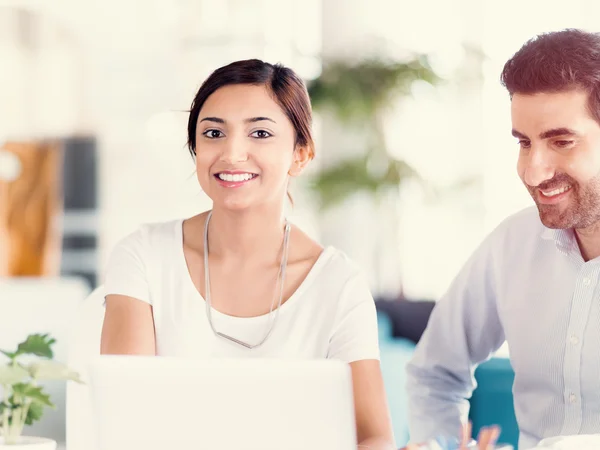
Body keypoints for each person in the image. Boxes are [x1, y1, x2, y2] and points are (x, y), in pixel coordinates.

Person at [99, 59, 395, 450]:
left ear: (301, 154)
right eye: (213, 133)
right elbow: (124, 420)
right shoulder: (143, 257)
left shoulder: (339, 283)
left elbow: (372, 437)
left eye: (259, 133)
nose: (232, 153)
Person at [406, 28, 600, 450]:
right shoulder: (511, 244)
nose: (533, 172)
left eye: (561, 142)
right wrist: (440, 444)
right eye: (524, 143)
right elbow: (433, 374)